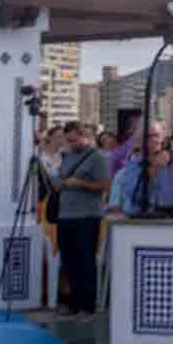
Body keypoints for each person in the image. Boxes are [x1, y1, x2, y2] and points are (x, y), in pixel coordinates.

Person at [52, 122, 112, 317]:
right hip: (65, 215)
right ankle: (73, 303)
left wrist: (81, 183)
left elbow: (104, 185)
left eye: (73, 140)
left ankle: (88, 305)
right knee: (68, 260)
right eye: (67, 141)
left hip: (87, 216)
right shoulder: (68, 156)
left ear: (84, 135)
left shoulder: (98, 157)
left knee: (85, 260)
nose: (70, 144)